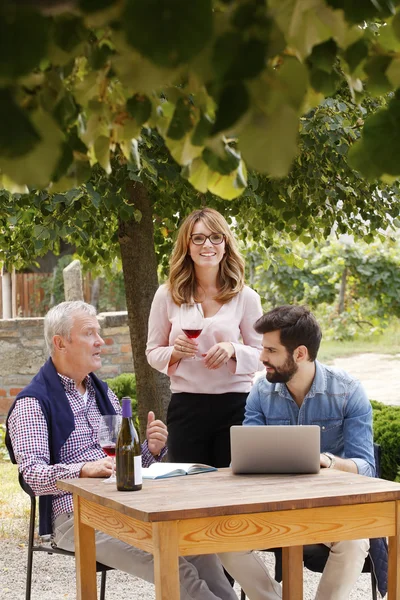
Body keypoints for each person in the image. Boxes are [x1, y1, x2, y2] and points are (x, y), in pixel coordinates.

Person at [6, 300, 240, 600]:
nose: (100, 341)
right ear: (60, 342)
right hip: (76, 518)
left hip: (124, 509)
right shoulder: (33, 404)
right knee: (174, 566)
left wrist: (150, 449)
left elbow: (123, 463)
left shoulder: (102, 393)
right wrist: (81, 469)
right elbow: (33, 475)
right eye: (90, 333)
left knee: (200, 552)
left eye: (99, 333)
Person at [221, 305, 375, 600]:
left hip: (330, 508)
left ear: (300, 353)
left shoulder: (348, 392)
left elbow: (366, 467)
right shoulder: (260, 393)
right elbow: (242, 459)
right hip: (272, 507)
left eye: (270, 350)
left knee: (355, 541)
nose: (262, 357)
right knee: (222, 541)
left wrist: (327, 462)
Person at [146, 207, 263, 468]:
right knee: (190, 493)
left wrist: (233, 349)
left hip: (237, 407)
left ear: (225, 245)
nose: (207, 245)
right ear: (187, 246)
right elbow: (152, 352)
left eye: (215, 237)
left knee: (234, 491)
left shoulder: (246, 297)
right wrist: (175, 352)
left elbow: (264, 356)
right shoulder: (167, 296)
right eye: (198, 238)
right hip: (186, 408)